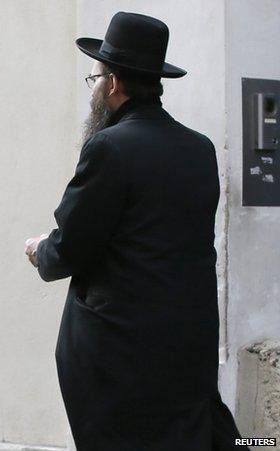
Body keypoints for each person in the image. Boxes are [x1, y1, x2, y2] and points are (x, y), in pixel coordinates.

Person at [24, 12, 245, 451]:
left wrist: (40, 250)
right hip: (187, 350)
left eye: (94, 81)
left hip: (122, 360)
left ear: (113, 84)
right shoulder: (198, 148)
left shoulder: (109, 147)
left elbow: (72, 246)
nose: (93, 94)